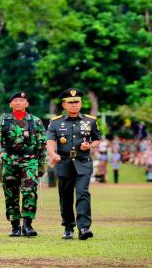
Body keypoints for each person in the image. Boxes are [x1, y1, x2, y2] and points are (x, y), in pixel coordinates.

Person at [0, 91, 47, 237]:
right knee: (11, 193)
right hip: (10, 160)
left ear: (27, 103)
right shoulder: (4, 120)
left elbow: (42, 144)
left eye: (22, 100)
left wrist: (41, 164)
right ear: (10, 104)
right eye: (15, 100)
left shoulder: (35, 120)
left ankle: (27, 224)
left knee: (29, 192)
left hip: (30, 161)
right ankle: (15, 226)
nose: (19, 103)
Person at [47, 88, 101, 240]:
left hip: (83, 161)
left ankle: (84, 227)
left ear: (81, 103)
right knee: (65, 196)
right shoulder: (55, 122)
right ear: (64, 104)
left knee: (83, 193)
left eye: (76, 102)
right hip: (63, 162)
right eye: (70, 103)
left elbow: (97, 139)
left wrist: (90, 145)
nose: (74, 105)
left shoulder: (90, 121)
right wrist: (52, 154)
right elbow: (50, 141)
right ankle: (68, 226)